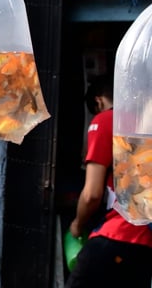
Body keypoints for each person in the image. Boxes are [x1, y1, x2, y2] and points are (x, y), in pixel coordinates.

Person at [65, 74, 152, 287]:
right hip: (145, 245)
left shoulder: (105, 120)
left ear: (99, 101)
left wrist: (77, 225)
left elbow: (92, 194)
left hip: (118, 234)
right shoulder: (145, 123)